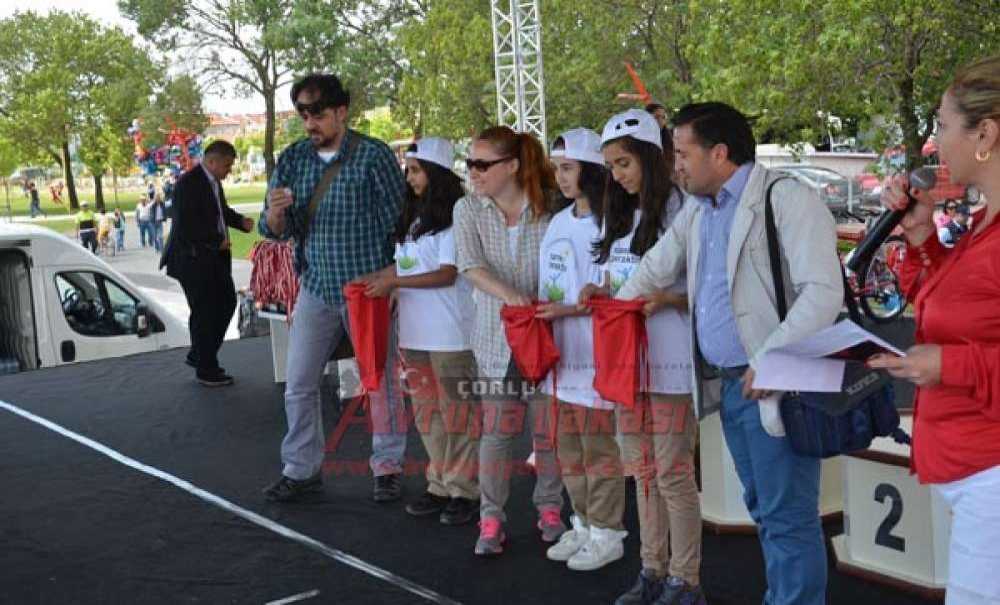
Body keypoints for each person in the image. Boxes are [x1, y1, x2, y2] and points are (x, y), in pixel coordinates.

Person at [612, 102, 844, 605]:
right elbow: (653, 268)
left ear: (719, 153)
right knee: (765, 508)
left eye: (682, 153)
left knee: (786, 515)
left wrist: (772, 358)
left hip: (778, 383)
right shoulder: (700, 210)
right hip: (734, 385)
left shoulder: (787, 199)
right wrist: (609, 308)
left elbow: (824, 293)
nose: (675, 165)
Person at [869, 55, 1000, 605]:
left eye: (942, 126)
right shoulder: (982, 223)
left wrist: (948, 364)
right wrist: (920, 236)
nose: (932, 143)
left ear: (986, 134)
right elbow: (948, 303)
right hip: (965, 469)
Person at [571, 110, 703, 602]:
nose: (618, 175)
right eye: (611, 166)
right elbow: (619, 279)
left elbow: (709, 292)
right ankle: (652, 570)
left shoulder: (686, 210)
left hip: (671, 365)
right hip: (626, 364)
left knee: (671, 472)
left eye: (624, 163)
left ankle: (685, 579)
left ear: (651, 155)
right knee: (642, 472)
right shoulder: (619, 214)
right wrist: (595, 287)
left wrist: (666, 300)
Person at [258, 73, 407, 504]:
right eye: (303, 114)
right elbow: (274, 232)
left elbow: (401, 222)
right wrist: (276, 214)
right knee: (299, 382)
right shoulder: (292, 160)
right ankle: (301, 469)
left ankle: (388, 466)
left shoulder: (373, 156)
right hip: (317, 287)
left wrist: (394, 275)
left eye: (318, 113)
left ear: (342, 112)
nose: (309, 123)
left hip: (368, 288)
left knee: (379, 381)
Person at [453, 125, 566, 556]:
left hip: (547, 337)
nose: (474, 173)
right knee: (497, 432)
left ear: (513, 166)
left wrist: (545, 304)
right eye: (470, 164)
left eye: (483, 164)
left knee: (548, 433)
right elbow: (469, 264)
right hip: (495, 339)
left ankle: (550, 510)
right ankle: (491, 519)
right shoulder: (468, 210)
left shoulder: (553, 208)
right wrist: (512, 298)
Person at [357, 137, 481, 526]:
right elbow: (406, 268)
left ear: (437, 172)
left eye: (414, 169)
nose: (407, 177)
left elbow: (447, 274)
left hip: (451, 335)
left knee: (458, 414)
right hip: (415, 334)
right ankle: (439, 483)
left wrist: (395, 285)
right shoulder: (412, 217)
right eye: (407, 170)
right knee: (429, 415)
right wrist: (376, 279)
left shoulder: (457, 215)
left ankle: (465, 489)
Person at [531, 127, 628, 571]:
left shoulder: (614, 224)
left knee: (598, 448)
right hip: (559, 356)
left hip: (595, 355)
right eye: (557, 169)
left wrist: (566, 311)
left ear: (591, 170)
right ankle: (584, 523)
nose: (560, 177)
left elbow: (611, 294)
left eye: (568, 168)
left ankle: (609, 532)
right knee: (568, 449)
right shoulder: (557, 221)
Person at [160, 140, 254, 387]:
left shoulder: (213, 183)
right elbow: (186, 225)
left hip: (211, 257)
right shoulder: (187, 185)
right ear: (212, 161)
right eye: (227, 165)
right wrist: (215, 241)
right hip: (192, 259)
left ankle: (200, 354)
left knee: (224, 303)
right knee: (205, 311)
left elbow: (219, 212)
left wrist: (240, 221)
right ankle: (206, 368)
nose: (229, 170)